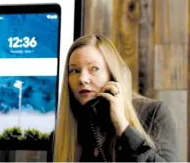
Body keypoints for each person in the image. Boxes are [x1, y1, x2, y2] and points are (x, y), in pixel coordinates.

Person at [52, 34, 178, 162]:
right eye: (74, 70)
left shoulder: (154, 113)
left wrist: (123, 126)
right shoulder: (65, 130)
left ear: (112, 75)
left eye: (94, 68)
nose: (82, 79)